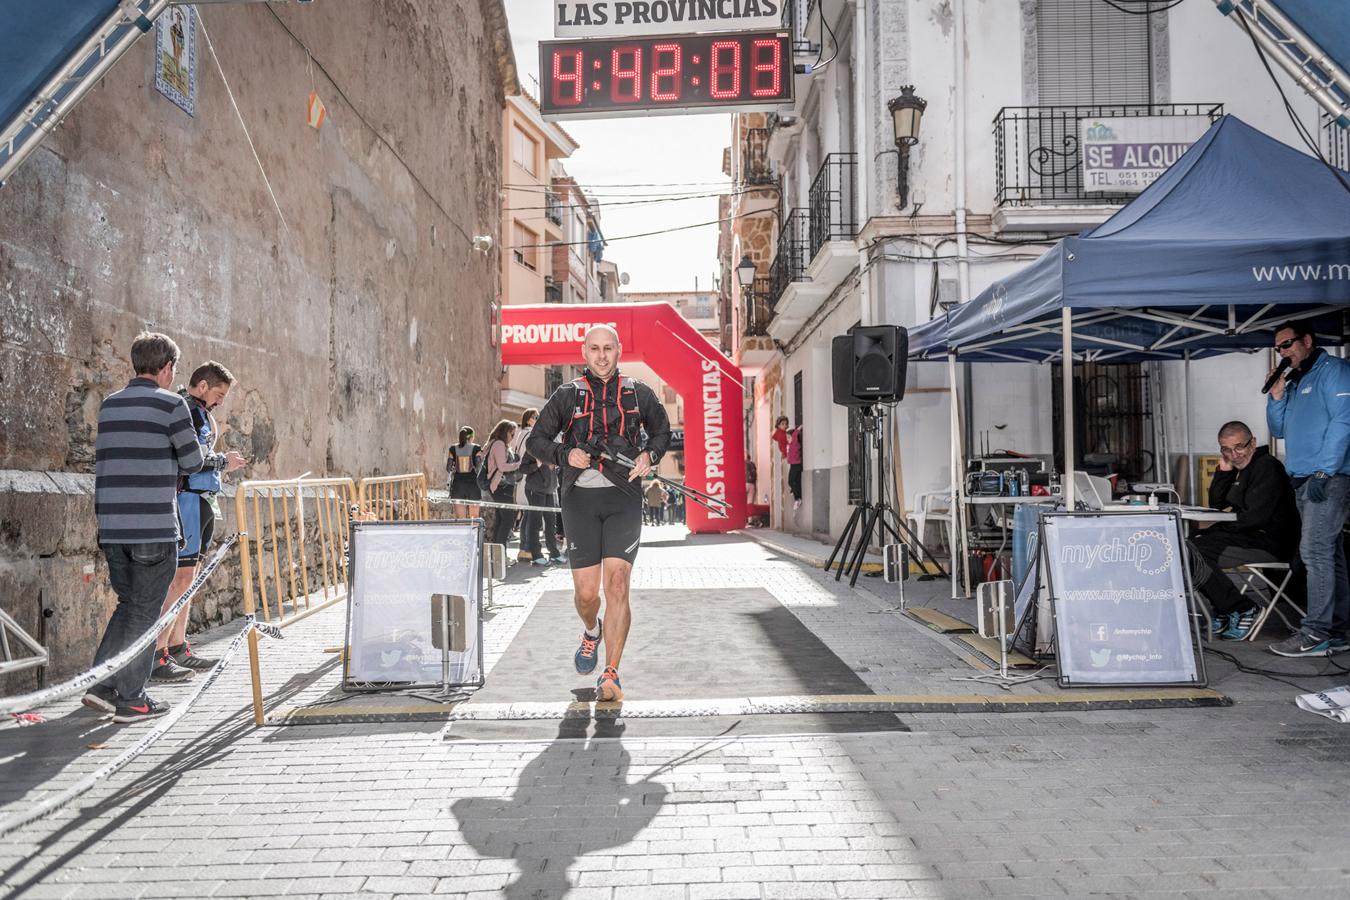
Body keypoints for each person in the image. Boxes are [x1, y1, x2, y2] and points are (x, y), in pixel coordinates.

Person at [526, 325, 671, 701]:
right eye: (595, 348)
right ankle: (591, 630)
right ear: (584, 352)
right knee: (588, 594)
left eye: (608, 348)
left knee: (618, 585)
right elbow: (536, 440)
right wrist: (564, 454)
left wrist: (648, 455)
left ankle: (612, 673)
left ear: (619, 350)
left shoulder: (638, 393)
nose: (602, 355)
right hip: (580, 501)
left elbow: (662, 431)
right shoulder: (567, 395)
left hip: (623, 498)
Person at [83, 333, 204, 723]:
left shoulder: (109, 405)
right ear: (167, 367)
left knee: (129, 606)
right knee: (145, 613)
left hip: (113, 527)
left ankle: (101, 685)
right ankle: (132, 698)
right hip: (152, 525)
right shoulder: (173, 405)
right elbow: (193, 460)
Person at [150, 362, 248, 682]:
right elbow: (188, 460)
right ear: (203, 385)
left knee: (189, 580)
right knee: (179, 579)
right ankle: (158, 653)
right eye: (219, 394)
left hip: (203, 501)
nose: (220, 402)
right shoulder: (185, 410)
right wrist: (224, 461)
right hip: (187, 500)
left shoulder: (202, 413)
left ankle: (178, 647)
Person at [1266, 321, 1350, 657]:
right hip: (1302, 478)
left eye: (1288, 344)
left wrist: (1324, 471)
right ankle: (1340, 629)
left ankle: (1315, 632)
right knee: (1332, 555)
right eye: (1279, 348)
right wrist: (1276, 396)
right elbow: (1279, 429)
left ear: (1307, 341)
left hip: (1326, 477)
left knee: (1314, 552)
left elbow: (1344, 421)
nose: (1283, 353)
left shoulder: (1334, 371)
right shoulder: (1296, 380)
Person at [1187, 421, 1299, 640]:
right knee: (1188, 547)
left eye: (1239, 447)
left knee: (1194, 550)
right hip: (1250, 537)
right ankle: (1224, 607)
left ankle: (1242, 608)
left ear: (1253, 443)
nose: (1234, 454)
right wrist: (1224, 470)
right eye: (1226, 449)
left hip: (1271, 542)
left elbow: (1254, 518)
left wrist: (1215, 530)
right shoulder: (1242, 468)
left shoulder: (1267, 467)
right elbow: (1217, 503)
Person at [483, 419, 523, 551]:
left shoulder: (497, 444)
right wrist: (518, 465)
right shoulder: (499, 444)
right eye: (512, 434)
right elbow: (502, 466)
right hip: (501, 487)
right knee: (507, 520)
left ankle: (497, 554)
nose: (512, 438)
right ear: (505, 432)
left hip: (501, 487)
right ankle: (500, 553)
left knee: (501, 520)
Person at [514, 409, 540, 562]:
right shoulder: (530, 434)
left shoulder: (521, 433)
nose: (538, 419)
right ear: (528, 420)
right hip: (528, 477)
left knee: (527, 514)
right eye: (535, 417)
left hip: (523, 477)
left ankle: (524, 547)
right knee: (530, 514)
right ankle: (527, 548)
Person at [447, 426, 482, 520]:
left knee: (460, 518)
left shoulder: (452, 449)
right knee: (474, 518)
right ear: (471, 437)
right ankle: (473, 535)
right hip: (473, 484)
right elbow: (479, 468)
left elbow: (448, 468)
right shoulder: (476, 448)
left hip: (458, 485)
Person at [786, 423, 804, 510]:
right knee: (793, 481)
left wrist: (799, 428)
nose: (787, 439)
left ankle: (797, 499)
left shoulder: (795, 444)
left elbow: (795, 434)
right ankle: (796, 494)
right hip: (793, 465)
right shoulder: (790, 445)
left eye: (788, 437)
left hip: (796, 465)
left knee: (791, 481)